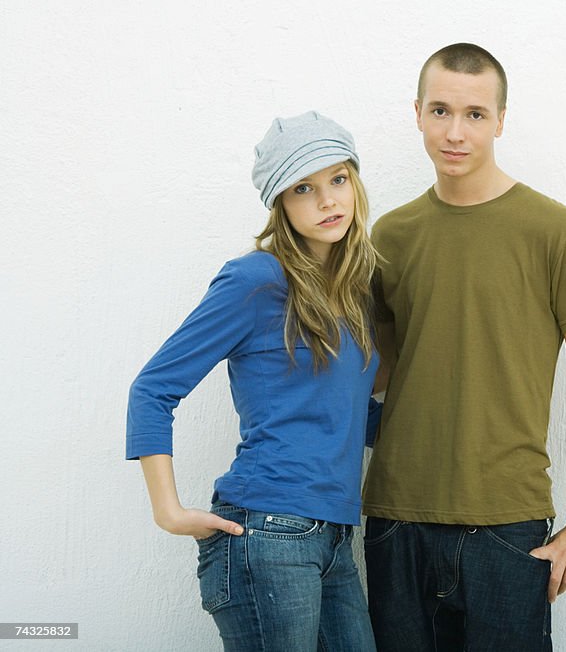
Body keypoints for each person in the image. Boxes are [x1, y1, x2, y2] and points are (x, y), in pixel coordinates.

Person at [364, 44, 566, 651]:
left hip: (508, 524)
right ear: (417, 114)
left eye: (475, 114)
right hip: (397, 517)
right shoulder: (389, 235)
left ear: (501, 120)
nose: (456, 132)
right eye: (441, 111)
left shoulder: (554, 230)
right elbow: (374, 375)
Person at [125, 111, 379, 651]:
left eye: (338, 179)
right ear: (280, 203)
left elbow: (342, 414)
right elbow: (152, 389)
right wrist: (168, 511)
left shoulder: (353, 292)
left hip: (334, 537)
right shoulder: (256, 280)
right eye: (303, 188)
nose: (328, 200)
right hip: (267, 530)